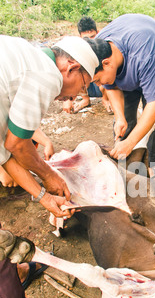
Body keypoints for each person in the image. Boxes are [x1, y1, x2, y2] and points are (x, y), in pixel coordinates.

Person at [0, 34, 100, 218]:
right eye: (82, 87)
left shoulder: (28, 55)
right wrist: (48, 175)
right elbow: (17, 145)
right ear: (72, 67)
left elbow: (5, 154)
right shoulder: (48, 74)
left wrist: (44, 197)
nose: (73, 97)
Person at [93, 13, 155, 170]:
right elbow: (111, 86)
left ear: (107, 63)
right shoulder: (100, 47)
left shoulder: (145, 54)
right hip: (127, 66)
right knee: (126, 119)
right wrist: (119, 118)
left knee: (154, 123)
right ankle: (128, 163)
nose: (99, 85)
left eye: (98, 80)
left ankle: (152, 164)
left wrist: (130, 143)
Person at [63, 16, 111, 114]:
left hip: (102, 86)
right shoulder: (78, 49)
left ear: (98, 32)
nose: (90, 41)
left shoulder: (103, 47)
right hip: (89, 85)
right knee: (77, 72)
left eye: (92, 36)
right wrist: (67, 99)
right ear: (80, 36)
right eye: (86, 38)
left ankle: (106, 99)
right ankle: (85, 99)